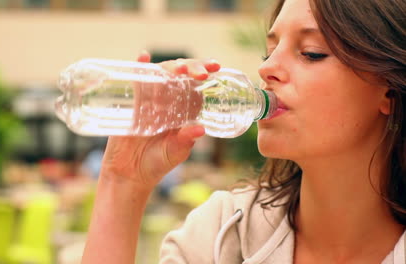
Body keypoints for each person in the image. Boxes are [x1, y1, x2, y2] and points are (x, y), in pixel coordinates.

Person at [81, 0, 406, 263]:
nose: (266, 68)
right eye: (269, 51)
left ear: (388, 92)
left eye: (311, 53)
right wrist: (121, 182)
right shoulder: (222, 235)